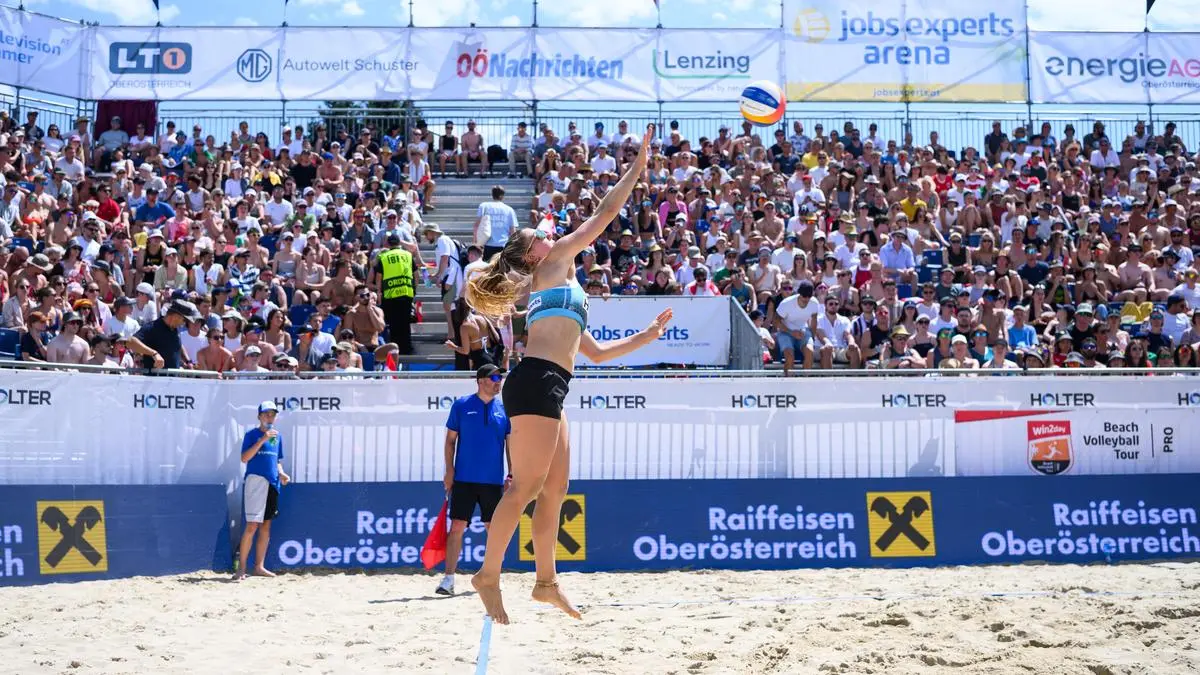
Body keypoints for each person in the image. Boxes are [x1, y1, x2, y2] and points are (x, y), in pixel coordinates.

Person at [464, 124, 670, 625]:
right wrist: (638, 165)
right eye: (539, 237)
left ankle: (546, 583)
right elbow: (606, 213)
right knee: (523, 488)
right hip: (535, 381)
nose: (548, 234)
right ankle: (488, 576)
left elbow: (594, 353)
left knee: (555, 489)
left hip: (551, 385)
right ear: (532, 253)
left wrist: (646, 337)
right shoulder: (554, 261)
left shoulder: (558, 285)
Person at [436, 364, 512, 596]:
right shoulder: (461, 405)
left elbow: (511, 445)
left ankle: (493, 578)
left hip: (493, 481)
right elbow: (450, 441)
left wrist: (512, 474)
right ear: (480, 381)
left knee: (494, 530)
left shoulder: (504, 410)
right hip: (464, 479)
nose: (499, 382)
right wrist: (449, 471)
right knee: (457, 527)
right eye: (494, 378)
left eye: (500, 378)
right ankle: (449, 579)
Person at [235, 400, 291, 580]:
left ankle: (259, 566)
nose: (270, 417)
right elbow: (245, 458)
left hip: (272, 483)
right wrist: (263, 439)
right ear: (259, 416)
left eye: (272, 414)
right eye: (266, 414)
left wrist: (281, 473)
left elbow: (277, 460)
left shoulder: (278, 437)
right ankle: (241, 568)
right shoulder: (251, 435)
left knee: (266, 526)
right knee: (252, 525)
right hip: (256, 481)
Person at [373, 233, 416, 355]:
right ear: (399, 243)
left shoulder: (383, 257)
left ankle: (395, 350)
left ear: (388, 244)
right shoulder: (408, 255)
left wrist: (379, 292)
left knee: (393, 324)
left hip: (390, 294)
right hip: (406, 293)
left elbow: (379, 277)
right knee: (405, 323)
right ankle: (407, 348)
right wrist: (414, 288)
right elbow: (416, 274)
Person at [126, 299, 200, 370]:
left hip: (172, 377)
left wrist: (188, 361)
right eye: (184, 320)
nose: (184, 324)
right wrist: (154, 354)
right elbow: (130, 342)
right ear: (176, 316)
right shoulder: (153, 327)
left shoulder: (174, 329)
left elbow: (178, 345)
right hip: (155, 377)